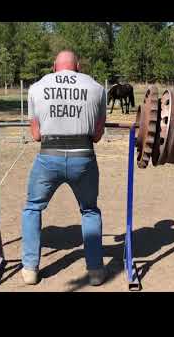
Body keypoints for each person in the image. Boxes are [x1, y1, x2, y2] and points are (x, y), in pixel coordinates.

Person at [21, 50, 107, 286]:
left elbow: (36, 135)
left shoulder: (36, 88)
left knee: (32, 209)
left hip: (49, 157)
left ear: (53, 67)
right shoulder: (97, 88)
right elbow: (98, 135)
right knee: (89, 211)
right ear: (77, 66)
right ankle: (96, 271)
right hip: (84, 158)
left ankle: (29, 270)